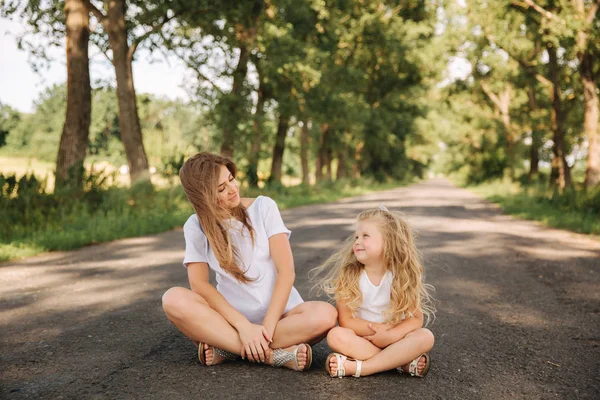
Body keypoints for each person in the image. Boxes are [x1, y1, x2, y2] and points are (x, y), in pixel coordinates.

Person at [162, 152, 337, 371]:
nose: (233, 189)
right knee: (173, 300)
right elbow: (199, 285)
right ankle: (273, 356)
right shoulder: (196, 225)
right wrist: (243, 327)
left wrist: (266, 327)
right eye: (221, 189)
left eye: (231, 180)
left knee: (325, 315)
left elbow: (286, 271)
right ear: (203, 197)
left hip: (281, 317)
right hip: (232, 320)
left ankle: (227, 349)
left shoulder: (264, 207)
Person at [312, 207, 435, 378]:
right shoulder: (350, 275)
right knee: (336, 335)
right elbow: (346, 319)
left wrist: (390, 335)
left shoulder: (401, 276)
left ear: (389, 241)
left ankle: (361, 368)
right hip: (365, 340)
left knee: (425, 336)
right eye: (356, 237)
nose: (357, 241)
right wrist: (377, 332)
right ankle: (400, 362)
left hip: (396, 338)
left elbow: (415, 318)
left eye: (365, 236)